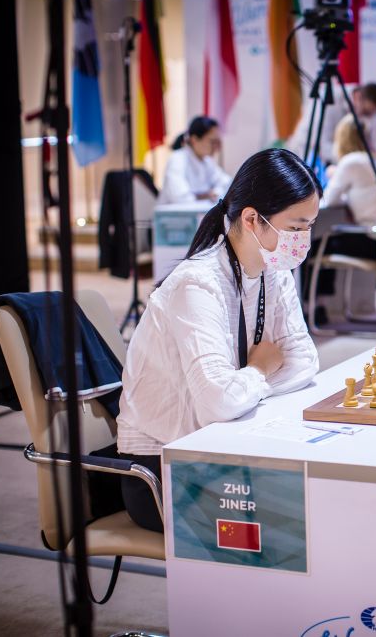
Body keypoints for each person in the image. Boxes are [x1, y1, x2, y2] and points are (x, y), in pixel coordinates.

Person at [117, 149, 322, 532]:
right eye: (296, 228)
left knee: (318, 503)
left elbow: (305, 361)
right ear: (252, 219)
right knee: (302, 520)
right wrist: (258, 370)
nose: (303, 240)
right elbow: (217, 401)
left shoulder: (273, 270)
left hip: (223, 448)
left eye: (310, 226)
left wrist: (242, 387)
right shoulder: (198, 284)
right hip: (162, 469)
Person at [160, 116, 233, 204]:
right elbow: (181, 198)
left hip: (197, 210)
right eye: (212, 142)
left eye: (217, 142)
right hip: (175, 212)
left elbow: (227, 184)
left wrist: (214, 193)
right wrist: (206, 195)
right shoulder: (177, 159)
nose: (216, 147)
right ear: (194, 140)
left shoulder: (207, 161)